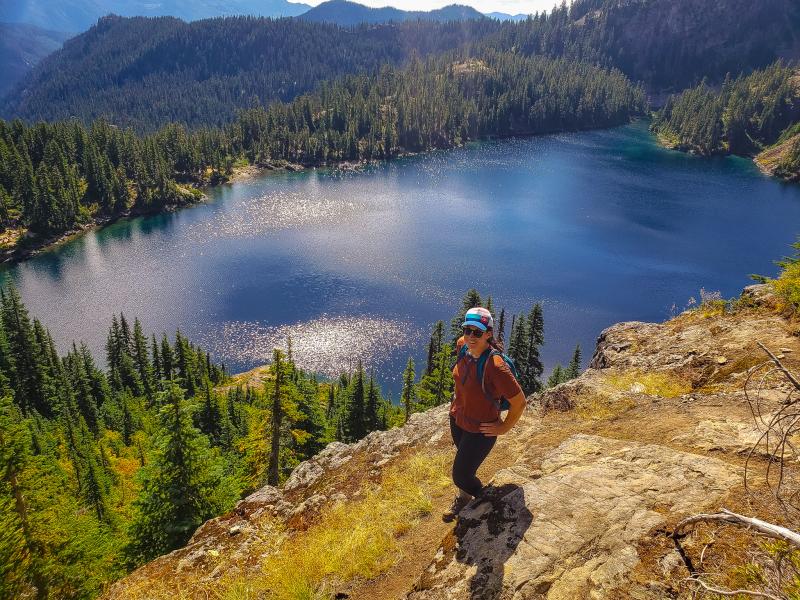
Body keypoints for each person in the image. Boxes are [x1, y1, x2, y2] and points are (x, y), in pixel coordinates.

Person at [443, 306, 526, 522]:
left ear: (488, 334)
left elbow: (520, 402)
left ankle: (483, 496)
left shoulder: (495, 365)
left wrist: (504, 427)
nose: (471, 336)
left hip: (481, 430)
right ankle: (463, 498)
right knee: (464, 465)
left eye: (477, 332)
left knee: (460, 474)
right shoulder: (462, 346)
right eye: (467, 330)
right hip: (458, 419)